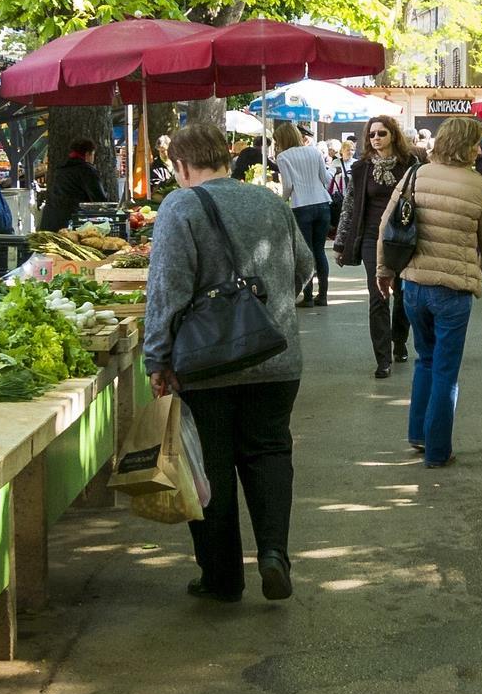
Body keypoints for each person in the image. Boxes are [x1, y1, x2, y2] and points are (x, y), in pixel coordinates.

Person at [143, 124, 315, 604]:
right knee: (270, 453)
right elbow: (304, 267)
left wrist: (156, 357)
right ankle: (275, 555)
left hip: (207, 363)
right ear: (225, 156)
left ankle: (222, 578)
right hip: (276, 356)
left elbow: (167, 290)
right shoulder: (270, 202)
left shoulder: (180, 206)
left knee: (210, 467)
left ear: (180, 165)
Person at [376, 116, 482, 468]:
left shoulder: (416, 175)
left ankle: (418, 434)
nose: (479, 149)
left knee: (425, 360)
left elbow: (388, 224)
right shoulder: (478, 187)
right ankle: (437, 450)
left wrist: (385, 270)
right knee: (445, 369)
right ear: (465, 146)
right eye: (475, 143)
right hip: (453, 291)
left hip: (414, 286)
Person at [333, 115, 416, 378]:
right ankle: (382, 360)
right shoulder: (361, 168)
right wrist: (341, 242)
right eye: (372, 135)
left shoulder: (410, 165)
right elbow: (349, 205)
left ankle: (399, 340)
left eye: (381, 133)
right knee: (378, 296)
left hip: (402, 237)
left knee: (402, 294)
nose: (376, 138)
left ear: (393, 135)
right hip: (371, 238)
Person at [272, 119, 334, 308]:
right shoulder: (314, 151)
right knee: (319, 251)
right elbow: (325, 178)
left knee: (305, 253)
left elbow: (288, 186)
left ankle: (307, 296)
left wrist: (280, 202)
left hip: (301, 206)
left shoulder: (283, 157)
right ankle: (322, 295)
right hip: (322, 203)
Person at [38, 138, 110, 231]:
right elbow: (99, 199)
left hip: (50, 222)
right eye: (93, 155)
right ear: (88, 154)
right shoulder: (86, 170)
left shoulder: (60, 170)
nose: (93, 159)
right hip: (73, 223)